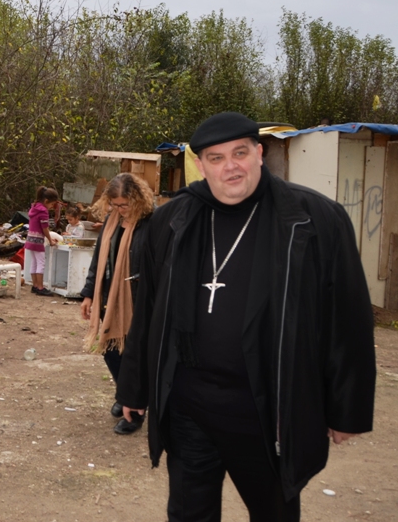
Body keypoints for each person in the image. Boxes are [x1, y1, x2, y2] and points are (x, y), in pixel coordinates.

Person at [116, 112, 376, 522]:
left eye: (240, 153)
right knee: (188, 513)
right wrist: (133, 386)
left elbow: (348, 318)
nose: (230, 166)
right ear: (200, 166)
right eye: (216, 158)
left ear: (259, 154)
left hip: (266, 410)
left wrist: (347, 410)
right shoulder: (172, 220)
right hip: (189, 408)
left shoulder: (314, 219)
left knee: (273, 512)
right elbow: (148, 310)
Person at [78, 173, 154, 435]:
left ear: (138, 200)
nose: (120, 210)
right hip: (110, 296)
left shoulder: (152, 223)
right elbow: (98, 258)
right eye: (115, 205)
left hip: (139, 299)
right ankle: (127, 395)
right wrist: (89, 293)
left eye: (125, 205)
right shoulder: (112, 221)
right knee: (110, 349)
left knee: (135, 355)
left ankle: (134, 409)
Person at [26, 186, 59, 295]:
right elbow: (45, 228)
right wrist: (50, 240)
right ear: (46, 201)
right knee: (41, 263)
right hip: (38, 240)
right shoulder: (43, 211)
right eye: (52, 204)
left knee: (34, 262)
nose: (51, 207)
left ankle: (34, 285)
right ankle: (40, 287)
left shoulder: (34, 207)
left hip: (30, 238)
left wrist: (49, 237)